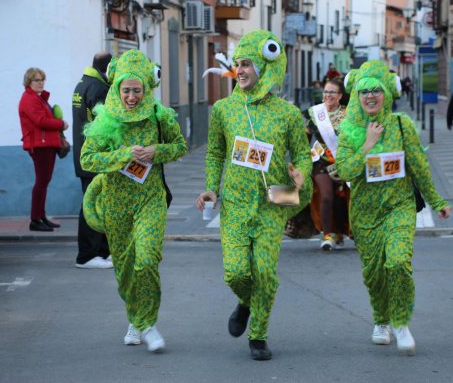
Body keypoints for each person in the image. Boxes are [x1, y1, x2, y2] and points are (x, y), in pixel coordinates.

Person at [195, 30, 312, 361]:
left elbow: (302, 154)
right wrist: (210, 187)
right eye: (238, 64)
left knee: (263, 271)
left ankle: (258, 335)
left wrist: (300, 175)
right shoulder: (223, 110)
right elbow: (215, 152)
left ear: (263, 66)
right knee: (236, 272)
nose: (241, 70)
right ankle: (246, 301)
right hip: (233, 204)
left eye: (247, 64)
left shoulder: (288, 114)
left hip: (273, 201)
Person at [335, 60, 452, 355]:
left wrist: (437, 201)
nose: (370, 96)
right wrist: (367, 144)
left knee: (398, 263)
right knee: (374, 274)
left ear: (388, 91)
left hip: (399, 206)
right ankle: (381, 320)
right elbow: (345, 171)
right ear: (357, 96)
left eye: (376, 90)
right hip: (364, 213)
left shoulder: (402, 126)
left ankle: (400, 321)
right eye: (364, 91)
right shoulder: (348, 130)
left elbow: (419, 167)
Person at [80, 50, 188, 352]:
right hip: (116, 204)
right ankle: (136, 319)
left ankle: (149, 323)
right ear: (116, 89)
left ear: (146, 89)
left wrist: (156, 152)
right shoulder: (107, 118)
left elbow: (180, 146)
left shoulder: (158, 115)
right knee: (125, 270)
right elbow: (87, 159)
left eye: (137, 90)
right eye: (126, 90)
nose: (131, 97)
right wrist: (123, 155)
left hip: (149, 200)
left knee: (147, 260)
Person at [72, 52, 113, 269]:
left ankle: (102, 252)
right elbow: (105, 126)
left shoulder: (83, 84)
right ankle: (87, 255)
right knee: (92, 205)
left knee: (97, 203)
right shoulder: (98, 88)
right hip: (95, 158)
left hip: (84, 156)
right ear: (107, 69)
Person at [18, 68, 69, 232]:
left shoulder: (37, 98)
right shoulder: (29, 99)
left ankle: (41, 217)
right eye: (36, 80)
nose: (40, 83)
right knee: (41, 182)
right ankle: (35, 220)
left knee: (44, 182)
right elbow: (41, 121)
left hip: (46, 144)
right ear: (29, 82)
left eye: (42, 80)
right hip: (40, 145)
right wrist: (61, 124)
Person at [305, 77, 350, 250]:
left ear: (339, 95)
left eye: (331, 92)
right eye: (325, 91)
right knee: (326, 196)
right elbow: (305, 138)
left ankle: (340, 231)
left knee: (343, 199)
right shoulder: (315, 113)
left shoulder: (349, 114)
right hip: (321, 161)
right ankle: (327, 234)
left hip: (344, 161)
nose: (327, 95)